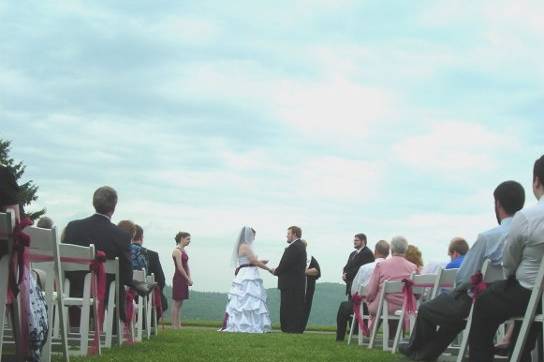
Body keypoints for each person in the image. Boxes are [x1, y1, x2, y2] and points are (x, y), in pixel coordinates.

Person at [399, 180, 526, 361]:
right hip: (517, 296)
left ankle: (414, 349)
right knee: (454, 317)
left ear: (497, 203)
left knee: (428, 310)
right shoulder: (528, 234)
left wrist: (458, 290)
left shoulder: (488, 237)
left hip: (480, 299)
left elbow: (464, 276)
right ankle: (422, 354)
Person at [468, 156, 544, 362]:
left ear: (536, 181)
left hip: (529, 293)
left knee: (485, 303)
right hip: (535, 299)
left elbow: (509, 261)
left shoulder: (528, 217)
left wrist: (510, 276)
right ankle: (519, 353)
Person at [62, 186, 154, 324]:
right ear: (114, 206)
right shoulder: (121, 236)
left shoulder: (72, 228)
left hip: (71, 287)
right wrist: (134, 284)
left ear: (94, 202)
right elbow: (126, 273)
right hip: (104, 292)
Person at [336, 240, 390, 341]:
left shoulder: (366, 268)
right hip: (387, 307)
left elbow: (354, 290)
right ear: (388, 253)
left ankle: (340, 338)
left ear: (375, 252)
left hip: (366, 306)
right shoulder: (391, 269)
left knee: (344, 306)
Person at [222, 226, 272, 333]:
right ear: (249, 235)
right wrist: (268, 269)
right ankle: (248, 325)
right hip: (247, 274)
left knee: (245, 299)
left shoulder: (242, 246)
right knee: (249, 298)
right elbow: (254, 261)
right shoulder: (245, 247)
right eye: (253, 236)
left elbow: (249, 261)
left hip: (245, 272)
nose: (254, 238)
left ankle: (246, 323)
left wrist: (259, 262)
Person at [365, 236, 417, 316]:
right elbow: (417, 293)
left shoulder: (381, 265)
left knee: (373, 305)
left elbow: (371, 293)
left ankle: (370, 328)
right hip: (407, 307)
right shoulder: (413, 267)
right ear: (405, 250)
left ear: (391, 249)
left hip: (382, 307)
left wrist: (368, 300)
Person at [272, 226, 307, 333]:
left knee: (289, 306)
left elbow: (286, 263)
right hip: (295, 283)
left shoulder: (295, 247)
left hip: (291, 283)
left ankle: (289, 328)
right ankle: (292, 328)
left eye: (288, 234)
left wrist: (276, 271)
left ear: (294, 234)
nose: (287, 236)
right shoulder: (299, 246)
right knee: (293, 306)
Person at [342, 233, 375, 299]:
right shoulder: (353, 253)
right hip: (351, 285)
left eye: (356, 240)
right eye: (354, 240)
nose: (354, 242)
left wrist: (347, 275)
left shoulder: (367, 253)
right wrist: (344, 274)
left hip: (360, 288)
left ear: (363, 241)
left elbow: (360, 269)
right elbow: (347, 267)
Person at [171, 231, 192, 329]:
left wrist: (189, 278)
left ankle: (179, 324)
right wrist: (187, 278)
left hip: (183, 278)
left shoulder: (184, 251)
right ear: (182, 238)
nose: (189, 241)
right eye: (188, 239)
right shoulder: (177, 251)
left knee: (181, 302)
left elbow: (186, 266)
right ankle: (174, 325)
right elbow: (180, 267)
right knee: (176, 302)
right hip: (179, 278)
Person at [301, 240, 321, 331]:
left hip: (308, 287)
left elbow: (317, 271)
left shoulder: (310, 259)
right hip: (294, 288)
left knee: (305, 307)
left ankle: (301, 327)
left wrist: (302, 272)